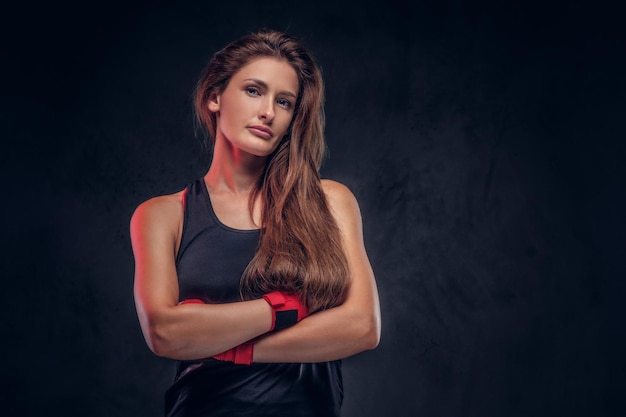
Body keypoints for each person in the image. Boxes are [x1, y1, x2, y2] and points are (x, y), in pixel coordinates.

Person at [130, 29, 381, 417]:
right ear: (215, 97)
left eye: (284, 101)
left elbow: (362, 326)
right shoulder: (163, 214)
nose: (268, 111)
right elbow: (164, 332)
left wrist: (229, 345)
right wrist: (286, 309)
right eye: (253, 90)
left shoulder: (330, 201)